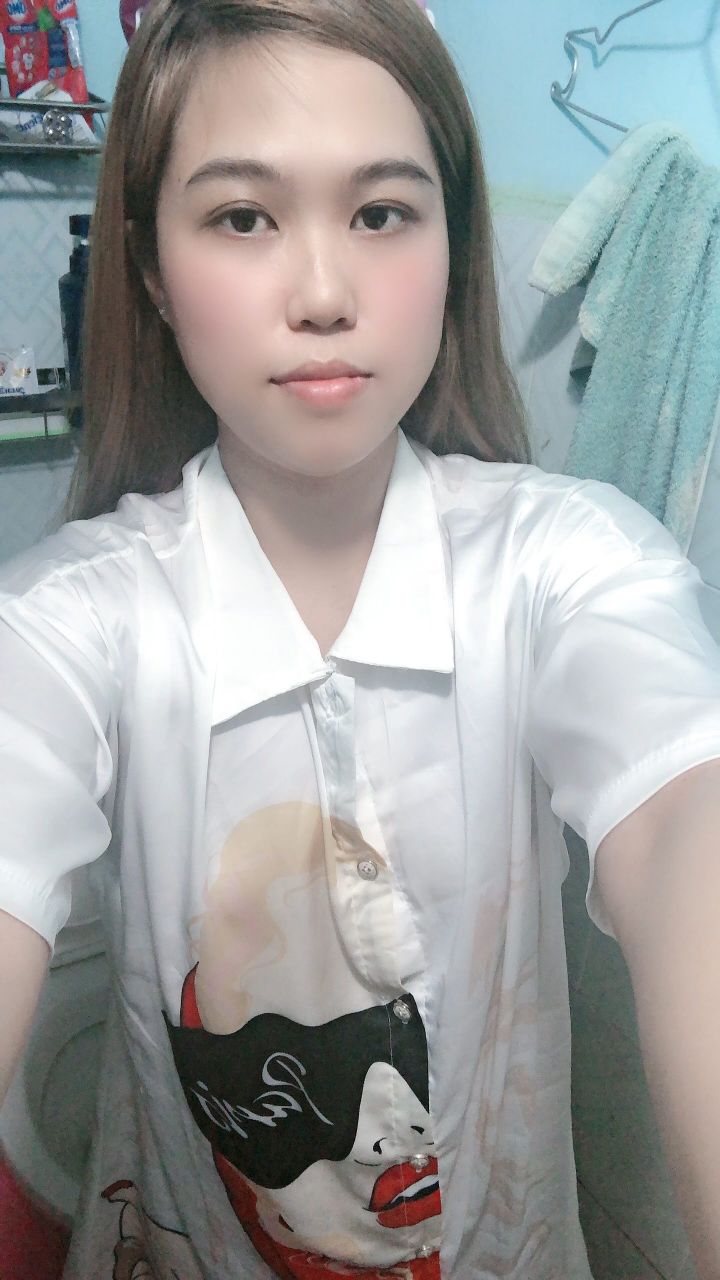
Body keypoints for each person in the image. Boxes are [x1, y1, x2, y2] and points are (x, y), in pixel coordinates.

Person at [1, 1, 720, 1277]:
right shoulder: (70, 622)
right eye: (242, 217)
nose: (326, 295)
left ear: (452, 241)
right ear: (152, 270)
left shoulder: (570, 563)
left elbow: (683, 823)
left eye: (383, 212)